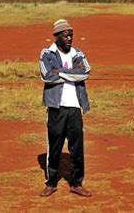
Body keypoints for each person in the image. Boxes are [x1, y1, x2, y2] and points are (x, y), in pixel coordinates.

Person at [39, 19, 92, 198]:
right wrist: (71, 74)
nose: (69, 38)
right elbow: (46, 76)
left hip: (75, 107)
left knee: (77, 148)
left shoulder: (78, 53)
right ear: (56, 36)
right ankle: (51, 183)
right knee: (54, 146)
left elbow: (85, 73)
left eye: (71, 35)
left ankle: (76, 183)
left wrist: (59, 72)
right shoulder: (47, 53)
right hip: (56, 107)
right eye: (65, 35)